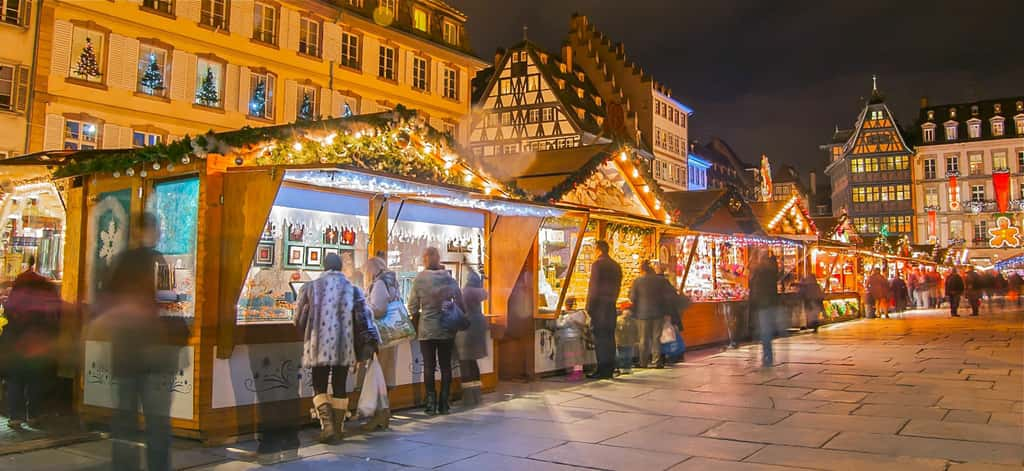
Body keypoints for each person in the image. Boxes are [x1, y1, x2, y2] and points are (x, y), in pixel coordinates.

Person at [103, 213, 189, 471]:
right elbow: (170, 308)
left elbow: (107, 307)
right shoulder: (158, 263)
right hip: (156, 356)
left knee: (125, 422)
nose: (159, 233)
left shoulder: (119, 265)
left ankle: (124, 467)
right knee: (157, 423)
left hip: (126, 355)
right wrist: (179, 338)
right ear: (148, 231)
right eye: (157, 229)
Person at [296, 252, 379, 443]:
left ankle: (328, 428)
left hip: (318, 344)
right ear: (341, 267)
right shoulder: (353, 289)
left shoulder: (310, 287)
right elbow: (365, 318)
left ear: (324, 267)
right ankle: (339, 429)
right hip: (344, 344)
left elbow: (298, 319)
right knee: (340, 385)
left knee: (319, 385)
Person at [2, 255, 62, 430]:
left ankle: (15, 416)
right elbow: (54, 314)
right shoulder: (44, 286)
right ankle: (33, 415)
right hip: (38, 341)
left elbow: (9, 311)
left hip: (17, 340)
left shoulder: (19, 285)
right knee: (35, 379)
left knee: (15, 379)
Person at [407, 247, 465, 415]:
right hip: (446, 328)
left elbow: (412, 306)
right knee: (446, 366)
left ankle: (430, 404)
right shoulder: (448, 278)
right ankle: (444, 403)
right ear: (439, 259)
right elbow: (460, 302)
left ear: (425, 260)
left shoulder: (419, 279)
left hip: (427, 329)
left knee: (429, 367)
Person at [364, 256, 400, 430]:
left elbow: (379, 309)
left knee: (380, 376)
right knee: (385, 374)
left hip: (382, 336)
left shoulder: (379, 284)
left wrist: (365, 304)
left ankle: (381, 415)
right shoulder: (392, 281)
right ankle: (383, 414)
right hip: (392, 334)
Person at [585, 240, 622, 379]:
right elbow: (618, 287)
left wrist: (589, 307)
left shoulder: (598, 264)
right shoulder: (616, 266)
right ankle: (609, 369)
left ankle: (601, 369)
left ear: (599, 250)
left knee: (600, 340)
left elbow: (593, 287)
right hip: (610, 307)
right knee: (610, 339)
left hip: (599, 308)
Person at [455, 266, 488, 408]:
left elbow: (458, 309)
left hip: (466, 329)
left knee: (465, 362)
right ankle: (477, 394)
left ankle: (468, 397)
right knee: (473, 362)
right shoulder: (480, 293)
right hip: (478, 326)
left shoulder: (465, 292)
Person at [629, 262, 670, 368]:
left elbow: (632, 297)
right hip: (658, 313)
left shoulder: (638, 281)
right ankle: (657, 361)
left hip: (643, 314)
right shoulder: (661, 281)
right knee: (656, 338)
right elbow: (667, 296)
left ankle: (643, 362)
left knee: (643, 339)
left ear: (642, 270)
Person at [749, 250, 780, 368]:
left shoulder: (764, 269)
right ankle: (767, 354)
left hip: (764, 303)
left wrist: (754, 259)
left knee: (765, 330)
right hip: (764, 303)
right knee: (764, 330)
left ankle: (767, 355)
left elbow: (756, 281)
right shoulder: (769, 267)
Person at [556, 297, 587, 381]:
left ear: (567, 305)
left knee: (571, 357)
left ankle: (575, 374)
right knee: (578, 357)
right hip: (577, 338)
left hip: (569, 338)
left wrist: (559, 317)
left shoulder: (569, 316)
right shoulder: (581, 314)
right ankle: (579, 373)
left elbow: (560, 325)